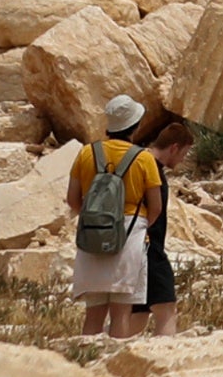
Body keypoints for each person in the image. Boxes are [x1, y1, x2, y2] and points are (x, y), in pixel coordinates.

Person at [66, 94, 167, 341]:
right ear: (135, 125)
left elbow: (72, 198)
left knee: (93, 313)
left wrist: (95, 220)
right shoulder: (143, 158)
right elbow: (156, 206)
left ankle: (87, 362)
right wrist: (140, 226)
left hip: (93, 234)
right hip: (130, 234)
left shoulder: (86, 154)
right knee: (121, 313)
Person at [141, 122, 195, 337]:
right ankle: (164, 357)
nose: (182, 160)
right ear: (174, 147)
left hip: (134, 250)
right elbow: (154, 211)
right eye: (184, 153)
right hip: (150, 250)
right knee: (166, 309)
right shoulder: (153, 169)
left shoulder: (140, 164)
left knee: (137, 315)